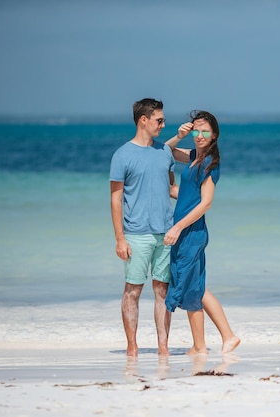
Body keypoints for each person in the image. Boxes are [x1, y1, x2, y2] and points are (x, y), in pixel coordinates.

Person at [164, 110, 240, 355]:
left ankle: (215, 340)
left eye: (204, 130)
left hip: (191, 231)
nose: (199, 135)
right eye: (195, 130)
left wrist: (177, 227)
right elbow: (165, 152)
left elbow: (206, 203)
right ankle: (208, 343)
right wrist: (178, 135)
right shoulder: (196, 157)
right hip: (186, 230)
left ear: (214, 134)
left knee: (192, 287)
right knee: (195, 287)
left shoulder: (209, 163)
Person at [109, 98, 175, 357]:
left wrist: (201, 198)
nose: (163, 124)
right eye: (159, 120)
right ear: (143, 120)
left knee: (162, 291)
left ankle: (163, 347)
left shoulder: (164, 152)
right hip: (136, 234)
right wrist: (119, 239)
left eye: (163, 120)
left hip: (166, 233)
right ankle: (132, 347)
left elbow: (171, 189)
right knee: (133, 291)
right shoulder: (122, 155)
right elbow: (115, 198)